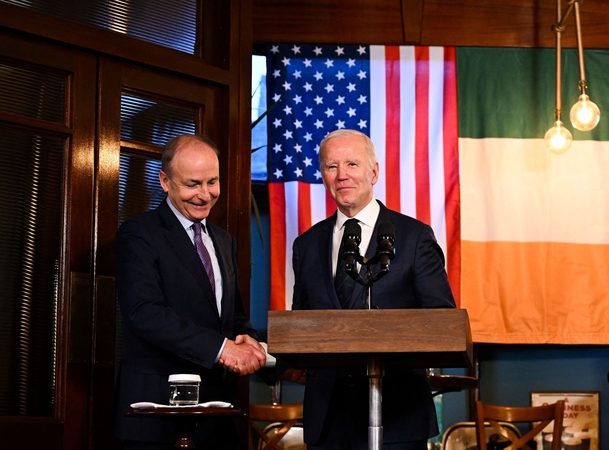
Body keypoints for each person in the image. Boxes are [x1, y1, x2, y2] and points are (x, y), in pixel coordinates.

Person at [290, 129, 456, 450]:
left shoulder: (414, 236)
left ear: (374, 172)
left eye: (352, 164)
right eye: (331, 167)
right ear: (322, 175)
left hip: (398, 414)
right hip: (328, 419)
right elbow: (302, 323)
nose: (342, 176)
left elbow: (441, 320)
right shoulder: (307, 245)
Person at [114, 134, 275, 449]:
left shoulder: (223, 240)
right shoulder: (139, 234)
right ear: (165, 181)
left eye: (212, 182)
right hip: (157, 414)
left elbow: (232, 316)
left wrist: (248, 342)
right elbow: (144, 313)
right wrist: (222, 349)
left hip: (217, 414)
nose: (205, 195)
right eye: (192, 184)